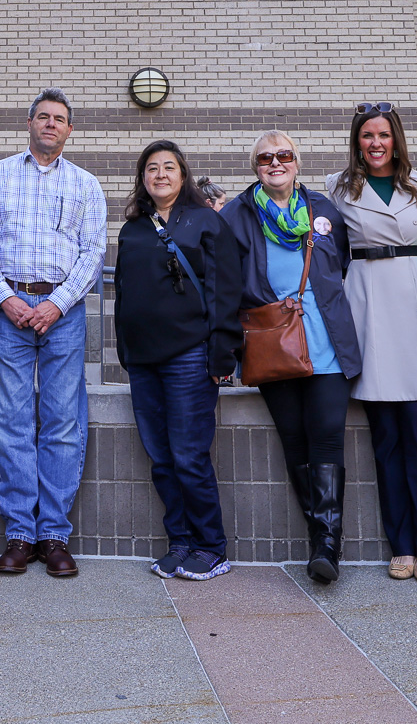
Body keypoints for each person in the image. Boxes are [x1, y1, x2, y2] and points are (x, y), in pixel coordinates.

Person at [322, 103, 417, 584]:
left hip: (416, 300)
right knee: (385, 442)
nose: (376, 143)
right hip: (368, 303)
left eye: (384, 134)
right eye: (367, 135)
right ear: (357, 141)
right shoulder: (337, 188)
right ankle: (400, 545)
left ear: (396, 138)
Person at [219, 130, 361, 584]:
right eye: (265, 157)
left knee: (325, 437)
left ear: (297, 162)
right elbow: (226, 280)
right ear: (254, 166)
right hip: (273, 340)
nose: (274, 163)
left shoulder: (322, 209)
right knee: (294, 440)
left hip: (326, 339)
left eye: (283, 155)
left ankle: (326, 545)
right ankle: (320, 534)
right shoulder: (238, 214)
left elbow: (340, 263)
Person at [0, 88, 106, 578]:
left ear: (70, 130)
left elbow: (93, 252)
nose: (51, 125)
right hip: (7, 304)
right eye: (43, 117)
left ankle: (53, 533)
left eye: (60, 119)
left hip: (64, 310)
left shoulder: (86, 184)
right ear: (28, 122)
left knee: (61, 421)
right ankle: (18, 533)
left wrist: (56, 303)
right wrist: (4, 297)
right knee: (9, 419)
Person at [117, 141, 242, 582]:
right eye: (151, 168)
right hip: (144, 361)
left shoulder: (205, 220)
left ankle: (211, 546)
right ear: (143, 178)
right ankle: (181, 543)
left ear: (183, 174)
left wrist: (222, 350)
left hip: (191, 355)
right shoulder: (132, 228)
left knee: (189, 456)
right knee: (162, 458)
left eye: (169, 167)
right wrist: (125, 351)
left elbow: (225, 289)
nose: (160, 174)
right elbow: (124, 295)